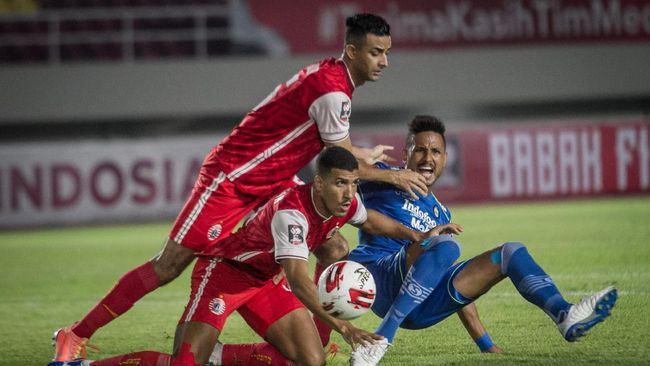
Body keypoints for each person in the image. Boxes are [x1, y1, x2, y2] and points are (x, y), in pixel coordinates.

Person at [52, 13, 430, 362]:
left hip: (270, 180)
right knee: (169, 265)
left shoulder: (334, 82)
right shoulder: (334, 92)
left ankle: (317, 341)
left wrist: (361, 154)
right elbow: (340, 152)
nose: (384, 61)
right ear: (351, 50)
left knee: (332, 243)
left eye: (386, 53)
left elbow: (335, 148)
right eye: (376, 52)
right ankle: (75, 334)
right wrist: (394, 175)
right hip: (231, 179)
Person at [49, 146, 448, 366]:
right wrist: (344, 328)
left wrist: (419, 234)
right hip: (224, 272)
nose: (348, 193)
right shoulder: (293, 214)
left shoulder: (343, 203)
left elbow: (375, 220)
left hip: (262, 282)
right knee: (184, 364)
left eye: (353, 184)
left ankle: (220, 356)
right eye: (341, 184)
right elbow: (297, 279)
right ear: (320, 182)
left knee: (311, 362)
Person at [346, 115, 618, 365]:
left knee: (510, 253)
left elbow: (447, 275)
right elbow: (339, 164)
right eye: (420, 149)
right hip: (375, 278)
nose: (427, 157)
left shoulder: (441, 213)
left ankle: (563, 314)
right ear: (406, 154)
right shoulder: (381, 177)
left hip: (418, 309)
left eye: (435, 151)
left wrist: (485, 344)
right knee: (446, 245)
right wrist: (390, 175)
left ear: (444, 159)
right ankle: (381, 339)